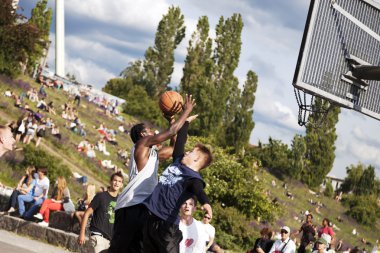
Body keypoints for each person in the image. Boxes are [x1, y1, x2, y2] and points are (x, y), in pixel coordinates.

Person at [109, 94, 196, 253]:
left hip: (145, 207)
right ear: (142, 135)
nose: (152, 131)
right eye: (148, 130)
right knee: (118, 250)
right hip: (131, 205)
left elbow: (174, 147)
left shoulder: (153, 154)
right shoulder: (141, 144)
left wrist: (171, 119)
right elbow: (172, 131)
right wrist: (186, 112)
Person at [142, 111, 213, 253]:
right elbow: (181, 140)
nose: (186, 152)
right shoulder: (177, 161)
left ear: (196, 160)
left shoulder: (192, 177)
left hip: (167, 226)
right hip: (150, 217)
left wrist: (206, 203)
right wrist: (186, 122)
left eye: (191, 152)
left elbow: (198, 189)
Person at [77, 172, 124, 253]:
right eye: (115, 180)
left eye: (119, 181)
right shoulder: (101, 196)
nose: (117, 183)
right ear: (110, 182)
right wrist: (82, 233)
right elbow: (87, 214)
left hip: (110, 241)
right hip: (97, 237)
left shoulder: (121, 201)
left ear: (122, 185)